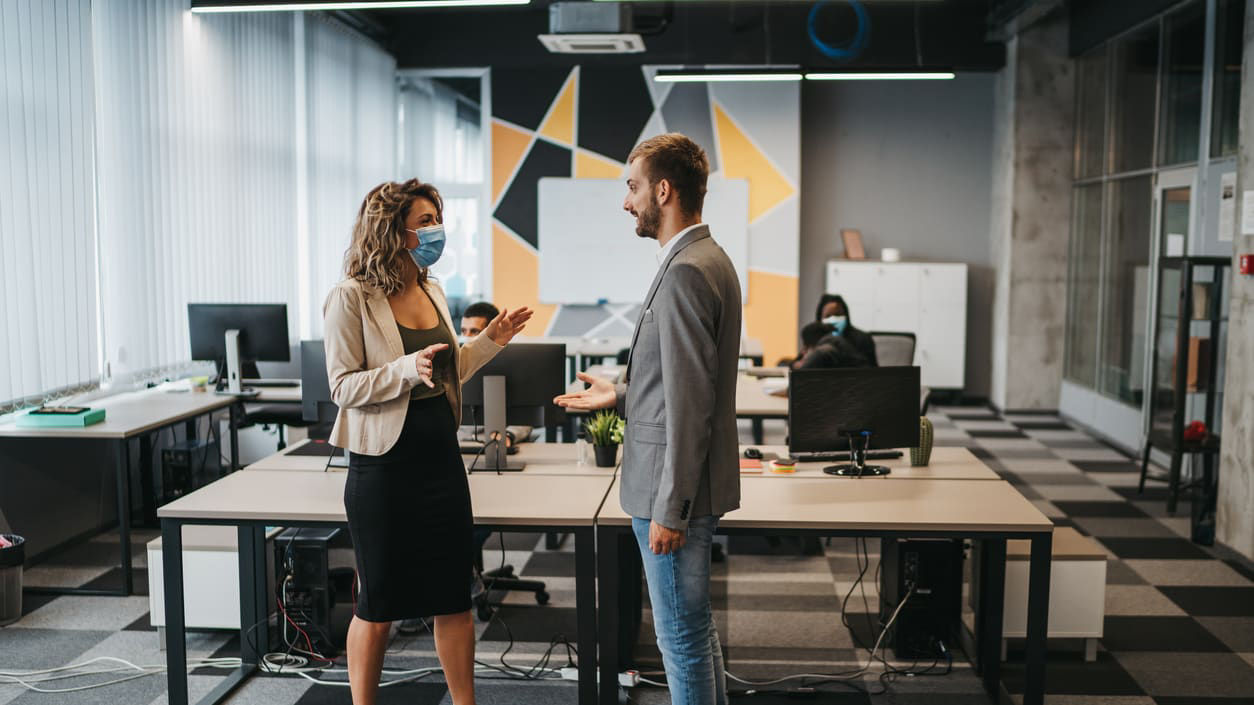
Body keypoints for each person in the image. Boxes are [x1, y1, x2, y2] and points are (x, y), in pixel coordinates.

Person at [323, 179, 533, 705]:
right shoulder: (351, 298)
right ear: (392, 230)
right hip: (384, 469)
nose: (436, 230)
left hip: (441, 464)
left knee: (453, 598)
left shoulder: (433, 289)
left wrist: (490, 342)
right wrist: (403, 371)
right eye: (424, 221)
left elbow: (447, 371)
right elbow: (342, 387)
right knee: (378, 604)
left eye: (437, 219)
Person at [555, 133, 741, 705]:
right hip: (683, 482)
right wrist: (624, 390)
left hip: (671, 489)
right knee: (694, 631)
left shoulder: (686, 270)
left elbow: (692, 403)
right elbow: (680, 379)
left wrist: (671, 509)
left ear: (664, 190)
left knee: (679, 640)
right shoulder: (706, 258)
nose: (626, 201)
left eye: (633, 187)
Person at [812, 293, 878, 366]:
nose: (833, 319)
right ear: (819, 319)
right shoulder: (813, 339)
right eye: (828, 316)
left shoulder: (863, 339)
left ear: (846, 316)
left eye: (838, 315)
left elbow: (871, 370)